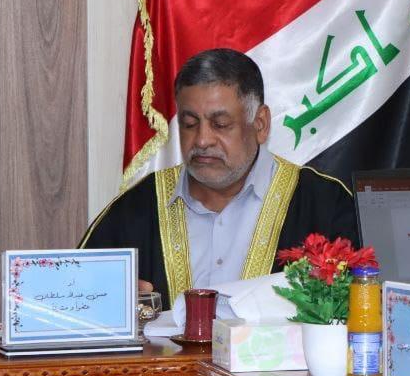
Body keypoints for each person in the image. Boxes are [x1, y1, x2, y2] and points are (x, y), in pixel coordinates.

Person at [80, 48, 358, 302]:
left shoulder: (326, 205)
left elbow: (364, 311)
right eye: (190, 124)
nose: (202, 140)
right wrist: (110, 305)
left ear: (260, 124)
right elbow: (72, 300)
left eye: (221, 124)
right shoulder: (136, 208)